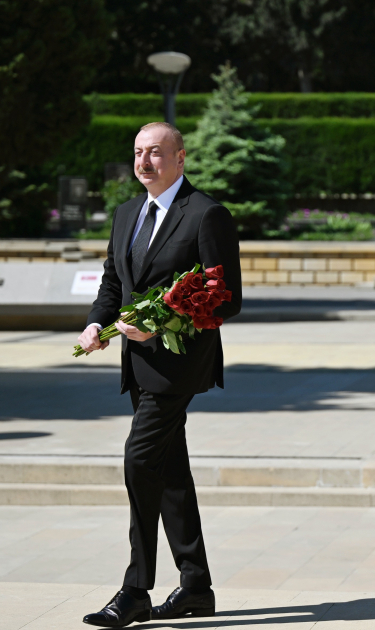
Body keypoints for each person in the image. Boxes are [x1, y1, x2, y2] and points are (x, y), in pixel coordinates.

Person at [77, 122, 242, 627]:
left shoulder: (206, 214)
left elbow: (226, 298)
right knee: (170, 471)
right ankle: (196, 587)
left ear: (180, 158)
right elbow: (114, 281)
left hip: (179, 365)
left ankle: (136, 590)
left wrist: (160, 322)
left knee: (139, 461)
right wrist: (97, 323)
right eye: (138, 152)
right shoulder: (127, 213)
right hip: (138, 363)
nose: (144, 162)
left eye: (155, 152)